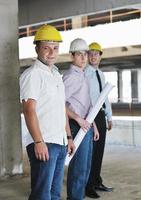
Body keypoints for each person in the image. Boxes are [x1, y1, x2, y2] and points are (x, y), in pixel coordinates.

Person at [20, 24, 75, 200]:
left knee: (54, 194)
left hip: (59, 142)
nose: (51, 52)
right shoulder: (33, 74)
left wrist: (68, 137)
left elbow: (61, 109)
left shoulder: (56, 74)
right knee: (41, 194)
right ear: (37, 48)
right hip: (44, 142)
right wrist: (38, 141)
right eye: (46, 48)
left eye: (55, 48)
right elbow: (29, 110)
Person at [63, 38, 99, 200]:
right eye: (79, 54)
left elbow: (87, 103)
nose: (84, 57)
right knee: (78, 169)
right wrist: (78, 119)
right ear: (72, 56)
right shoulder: (71, 76)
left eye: (85, 54)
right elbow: (60, 104)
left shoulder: (83, 75)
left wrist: (94, 125)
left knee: (85, 168)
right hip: (77, 126)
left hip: (87, 125)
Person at [85, 42, 113, 199]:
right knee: (91, 152)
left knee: (99, 152)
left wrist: (109, 116)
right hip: (91, 115)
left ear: (100, 56)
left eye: (97, 53)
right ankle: (88, 185)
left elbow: (105, 97)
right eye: (91, 53)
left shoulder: (101, 74)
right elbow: (87, 98)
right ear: (87, 55)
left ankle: (96, 181)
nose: (94, 56)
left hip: (101, 115)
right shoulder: (85, 74)